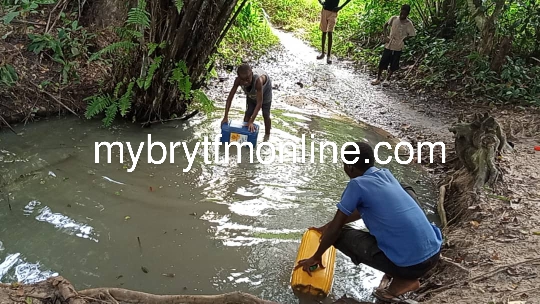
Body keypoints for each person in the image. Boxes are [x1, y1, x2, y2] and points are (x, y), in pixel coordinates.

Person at [294, 142, 442, 303]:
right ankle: (399, 271)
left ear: (350, 167)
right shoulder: (385, 174)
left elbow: (336, 229)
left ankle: (403, 281)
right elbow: (358, 211)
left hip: (411, 266)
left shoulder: (356, 185)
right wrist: (328, 226)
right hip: (433, 254)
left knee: (339, 235)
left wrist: (316, 257)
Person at [371, 4, 416, 87]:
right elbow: (385, 25)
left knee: (394, 63)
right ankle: (378, 78)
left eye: (404, 14)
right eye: (401, 13)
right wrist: (385, 36)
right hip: (389, 43)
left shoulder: (408, 23)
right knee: (383, 61)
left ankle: (387, 79)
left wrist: (404, 39)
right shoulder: (394, 18)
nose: (402, 15)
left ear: (407, 14)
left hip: (398, 46)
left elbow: (412, 34)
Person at [221, 64, 272, 136]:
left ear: (251, 74)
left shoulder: (258, 81)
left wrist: (251, 121)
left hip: (265, 92)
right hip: (251, 94)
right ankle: (244, 136)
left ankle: (267, 135)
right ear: (238, 77)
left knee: (266, 115)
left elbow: (259, 103)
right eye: (242, 79)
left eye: (247, 79)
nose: (245, 82)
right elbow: (229, 98)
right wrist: (225, 116)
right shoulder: (238, 81)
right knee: (248, 114)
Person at [316, 0, 352, 64]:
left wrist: (341, 7)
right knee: (324, 32)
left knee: (330, 32)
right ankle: (322, 53)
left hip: (333, 12)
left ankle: (328, 56)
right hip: (325, 10)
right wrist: (320, 1)